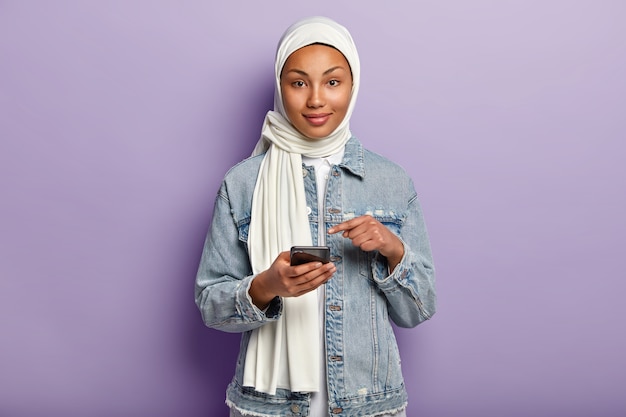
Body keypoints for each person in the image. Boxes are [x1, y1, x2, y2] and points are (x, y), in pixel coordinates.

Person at [195, 16, 436, 417]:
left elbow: (419, 309)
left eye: (333, 81)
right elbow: (210, 303)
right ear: (280, 87)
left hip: (369, 405)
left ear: (353, 85)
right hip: (269, 408)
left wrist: (394, 251)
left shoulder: (391, 182)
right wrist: (267, 285)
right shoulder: (242, 183)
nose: (316, 100)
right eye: (299, 82)